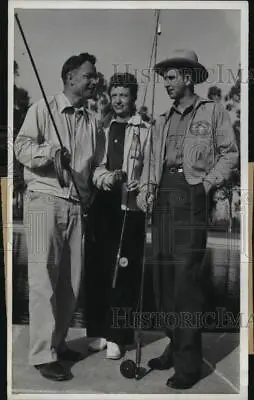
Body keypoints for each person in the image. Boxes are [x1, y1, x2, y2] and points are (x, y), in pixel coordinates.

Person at [147, 49, 239, 389]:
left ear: (188, 77)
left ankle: (189, 364)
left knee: (185, 281)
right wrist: (148, 191)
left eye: (171, 77)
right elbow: (153, 160)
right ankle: (175, 344)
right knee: (163, 277)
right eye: (164, 78)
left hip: (193, 193)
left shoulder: (213, 111)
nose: (166, 84)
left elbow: (231, 154)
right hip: (164, 196)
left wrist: (206, 185)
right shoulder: (161, 118)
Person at [14, 52, 102, 381]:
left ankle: (57, 341)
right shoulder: (42, 109)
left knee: (71, 284)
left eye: (95, 76)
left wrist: (109, 177)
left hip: (77, 206)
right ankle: (41, 354)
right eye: (89, 75)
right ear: (69, 77)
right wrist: (49, 152)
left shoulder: (94, 123)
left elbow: (97, 167)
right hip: (42, 201)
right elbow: (20, 147)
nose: (95, 80)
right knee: (41, 283)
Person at [85, 72, 155, 359]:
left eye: (123, 95)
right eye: (114, 95)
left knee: (125, 272)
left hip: (132, 210)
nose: (117, 100)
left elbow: (151, 172)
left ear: (134, 98)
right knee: (100, 269)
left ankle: (118, 336)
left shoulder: (147, 130)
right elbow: (96, 168)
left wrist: (142, 187)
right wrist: (109, 178)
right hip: (104, 208)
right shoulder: (102, 128)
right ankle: (100, 332)